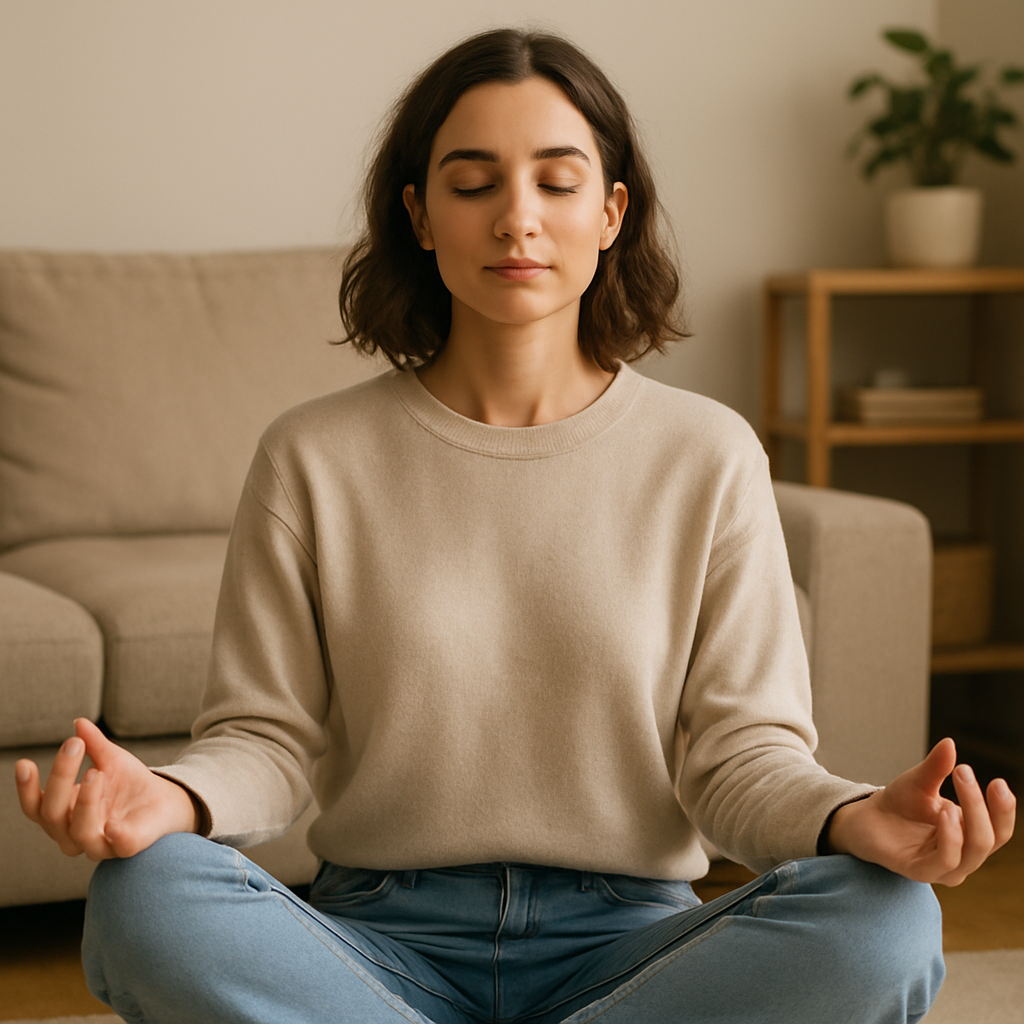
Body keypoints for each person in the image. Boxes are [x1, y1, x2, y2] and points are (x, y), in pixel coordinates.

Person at [14, 28, 1016, 1024]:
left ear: (611, 212)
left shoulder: (706, 454)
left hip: (633, 947)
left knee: (882, 919)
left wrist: (851, 817)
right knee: (147, 896)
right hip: (375, 943)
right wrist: (171, 799)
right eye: (472, 182)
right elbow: (265, 740)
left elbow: (742, 759)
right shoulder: (310, 456)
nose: (516, 219)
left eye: (556, 180)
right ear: (418, 213)